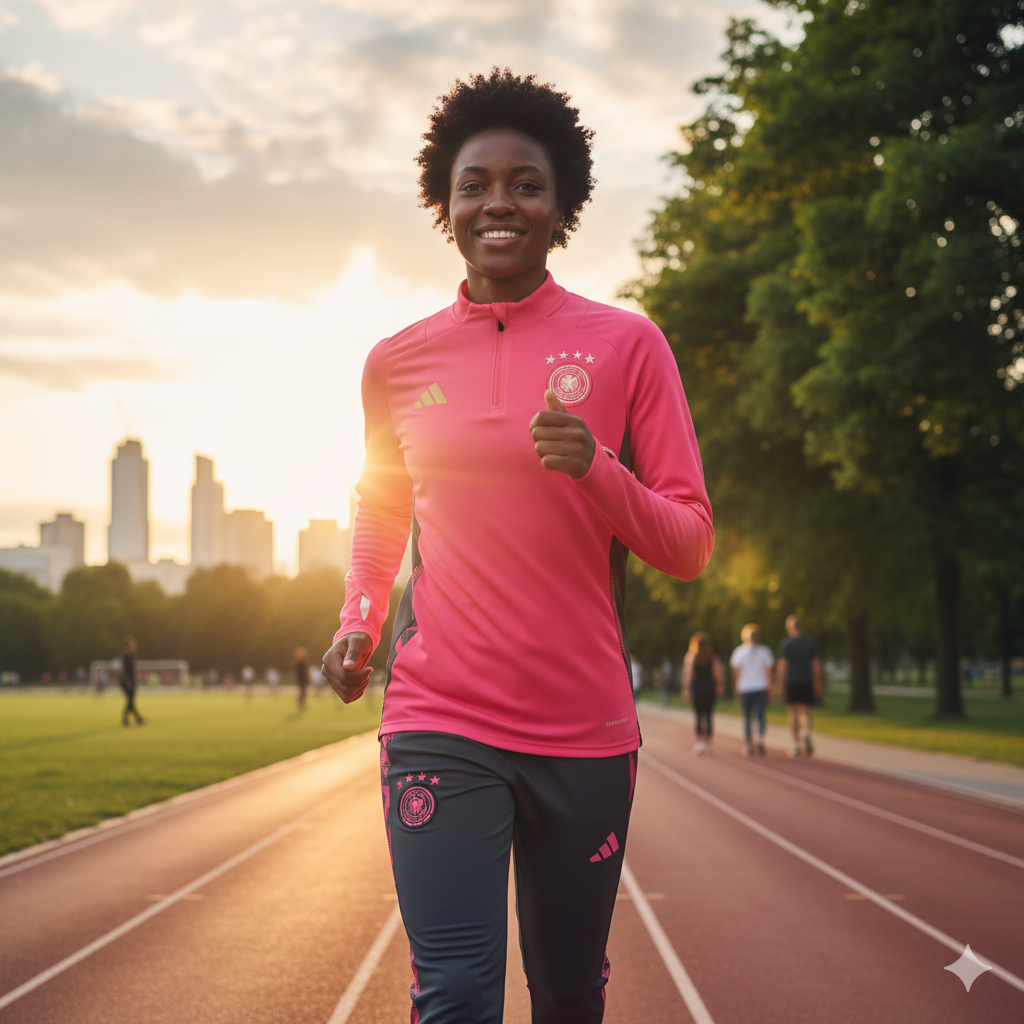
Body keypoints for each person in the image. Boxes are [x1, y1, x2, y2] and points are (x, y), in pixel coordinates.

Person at [321, 69, 714, 1024]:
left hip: (583, 726)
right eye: (475, 183)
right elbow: (381, 509)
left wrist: (597, 470)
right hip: (440, 716)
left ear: (562, 203)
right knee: (454, 994)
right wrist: (360, 624)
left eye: (526, 182)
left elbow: (690, 543)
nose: (500, 201)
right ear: (445, 204)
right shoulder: (396, 361)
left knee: (570, 993)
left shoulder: (628, 346)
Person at [777, 615, 823, 757]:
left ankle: (796, 744)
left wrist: (780, 684)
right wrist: (818, 682)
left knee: (793, 713)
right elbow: (816, 665)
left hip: (792, 682)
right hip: (806, 681)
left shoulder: (786, 644)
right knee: (806, 710)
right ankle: (805, 731)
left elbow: (783, 666)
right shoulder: (810, 643)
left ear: (790, 628)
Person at [729, 624, 772, 756]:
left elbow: (736, 672)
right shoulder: (765, 651)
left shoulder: (739, 652)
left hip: (746, 688)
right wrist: (770, 687)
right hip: (761, 687)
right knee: (760, 715)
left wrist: (735, 688)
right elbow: (769, 671)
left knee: (747, 717)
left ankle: (748, 745)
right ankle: (760, 738)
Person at [682, 632, 724, 754]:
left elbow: (688, 675)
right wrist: (719, 686)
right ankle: (709, 744)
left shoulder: (691, 657)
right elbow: (717, 674)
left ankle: (700, 742)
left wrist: (685, 689)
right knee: (709, 716)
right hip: (710, 689)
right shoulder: (713, 657)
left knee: (699, 716)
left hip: (697, 689)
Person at [119, 636, 145, 727]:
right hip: (127, 681)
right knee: (130, 700)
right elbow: (124, 670)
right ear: (127, 646)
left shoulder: (130, 656)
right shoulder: (126, 656)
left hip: (129, 680)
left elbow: (133, 669)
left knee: (130, 700)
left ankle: (135, 718)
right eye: (132, 645)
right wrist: (128, 681)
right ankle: (132, 719)